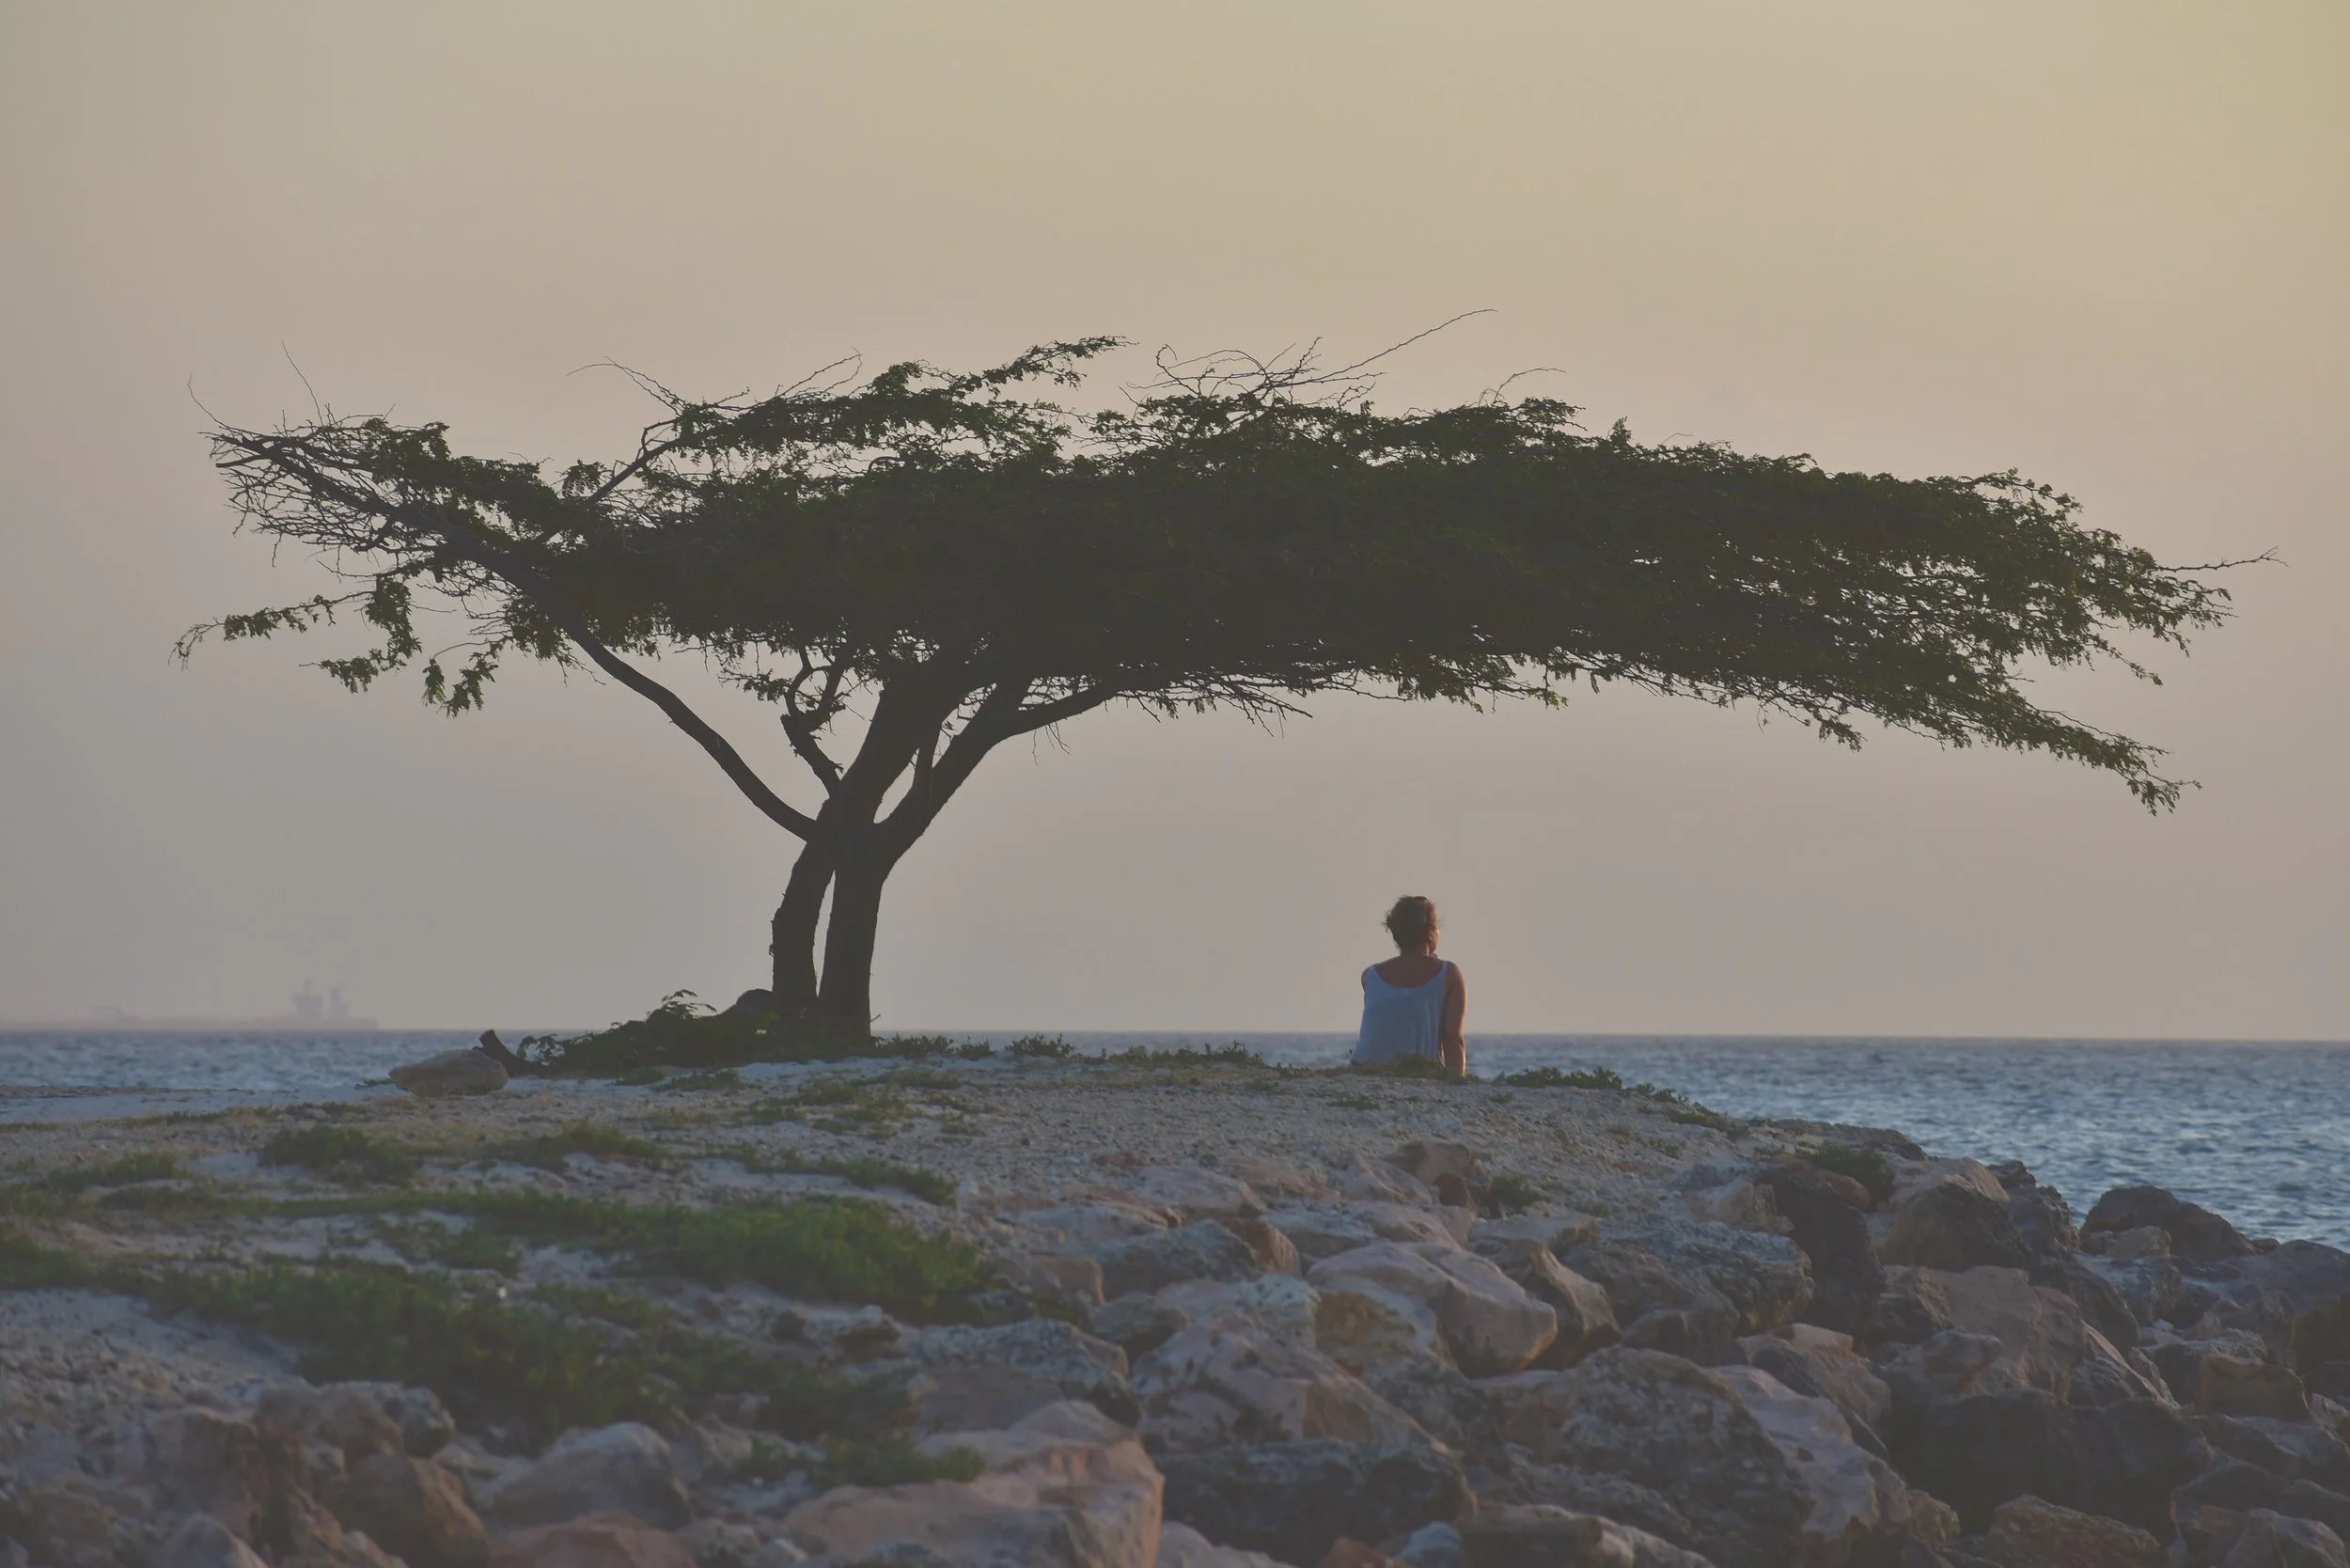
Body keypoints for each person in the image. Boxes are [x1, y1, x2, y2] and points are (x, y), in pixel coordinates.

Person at [1352, 895, 1466, 1077]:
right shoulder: (1448, 973)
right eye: (1437, 927)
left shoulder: (1370, 976)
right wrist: (1456, 1079)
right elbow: (1452, 1039)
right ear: (1429, 932)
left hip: (1363, 1067)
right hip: (1417, 1069)